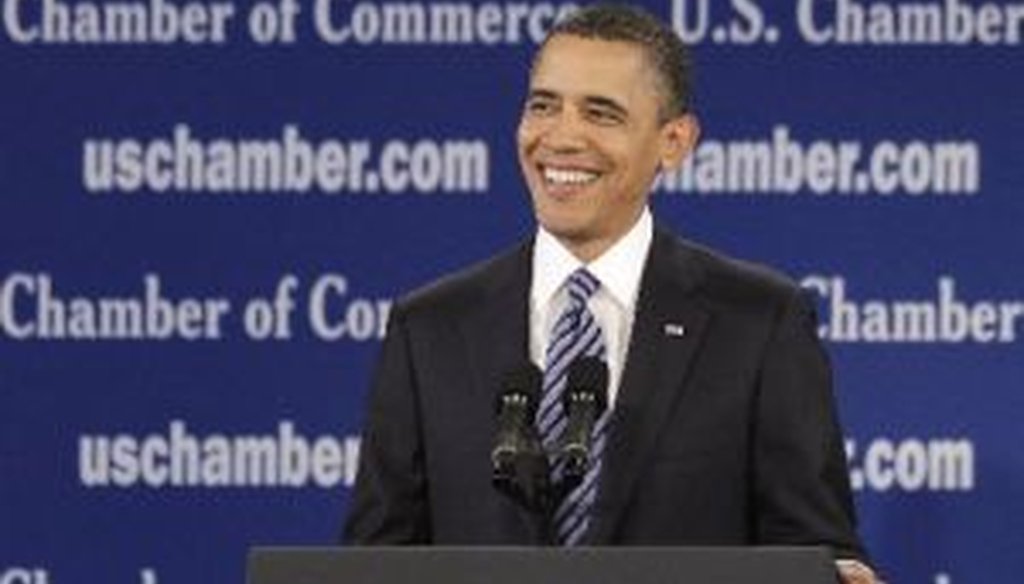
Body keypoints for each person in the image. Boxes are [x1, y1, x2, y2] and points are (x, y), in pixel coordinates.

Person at [344, 4, 877, 583]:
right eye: (543, 105)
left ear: (673, 142)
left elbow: (814, 554)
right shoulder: (430, 328)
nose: (561, 136)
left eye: (601, 113)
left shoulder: (760, 323)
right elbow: (376, 562)